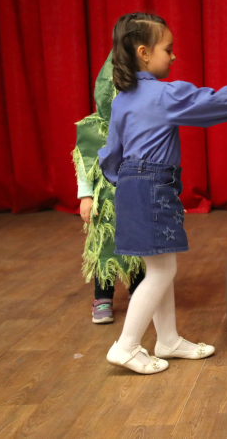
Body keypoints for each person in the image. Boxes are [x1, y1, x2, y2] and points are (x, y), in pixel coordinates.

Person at [99, 12, 227, 374]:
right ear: (143, 53)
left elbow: (111, 154)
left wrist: (125, 185)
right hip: (152, 185)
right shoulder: (163, 94)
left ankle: (168, 340)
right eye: (167, 49)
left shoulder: (122, 99)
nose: (173, 56)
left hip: (130, 185)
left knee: (159, 264)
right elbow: (211, 102)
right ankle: (126, 346)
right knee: (162, 270)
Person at [73, 54, 145, 324]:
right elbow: (85, 165)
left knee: (139, 244)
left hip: (135, 196)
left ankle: (141, 291)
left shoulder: (138, 125)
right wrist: (85, 197)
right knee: (104, 246)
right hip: (104, 203)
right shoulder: (92, 128)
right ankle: (103, 296)